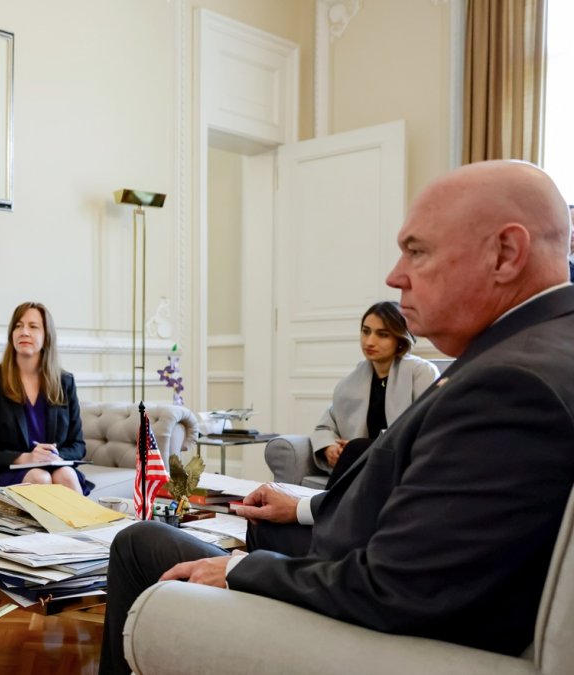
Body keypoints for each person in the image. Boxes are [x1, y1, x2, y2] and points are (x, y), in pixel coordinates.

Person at [99, 160, 574, 675]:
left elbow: (397, 587)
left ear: (505, 253)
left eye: (416, 250)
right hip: (346, 546)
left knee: (140, 543)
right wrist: (305, 509)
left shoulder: (510, 386)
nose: (396, 275)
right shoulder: (533, 351)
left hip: (359, 611)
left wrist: (242, 570)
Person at [0, 301, 92, 495]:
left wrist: (53, 456)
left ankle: (86, 526)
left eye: (33, 326)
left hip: (53, 467)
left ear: (46, 336)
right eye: (18, 325)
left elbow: (78, 445)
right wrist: (26, 458)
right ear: (11, 334)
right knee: (39, 477)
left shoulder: (64, 382)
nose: (24, 332)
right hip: (3, 471)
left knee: (65, 475)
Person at [311, 301, 439, 486]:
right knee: (357, 451)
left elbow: (428, 425)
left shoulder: (421, 372)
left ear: (400, 339)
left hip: (405, 458)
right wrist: (328, 447)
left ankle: (324, 509)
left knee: (357, 448)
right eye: (366, 331)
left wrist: (371, 447)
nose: (370, 341)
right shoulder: (351, 381)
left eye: (383, 334)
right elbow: (324, 427)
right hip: (364, 464)